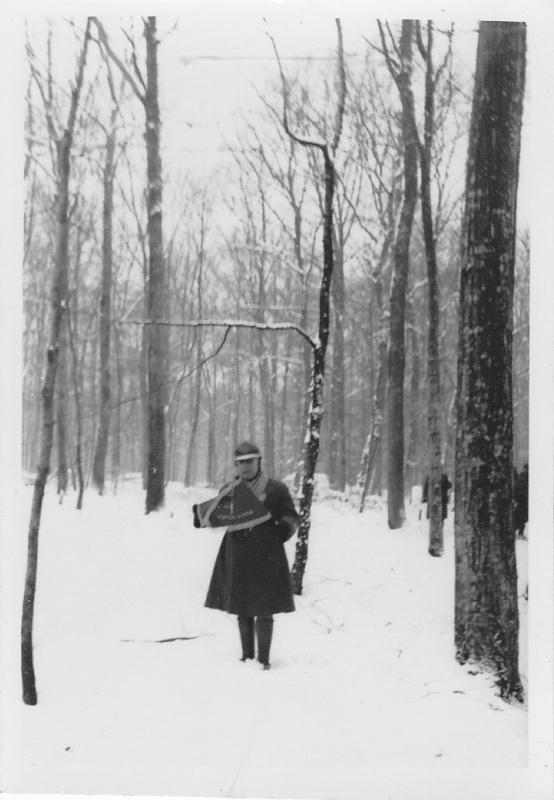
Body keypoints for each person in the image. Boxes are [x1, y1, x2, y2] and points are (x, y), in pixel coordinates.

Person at [194, 441, 299, 670]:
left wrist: (284, 528)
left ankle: (263, 660)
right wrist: (200, 517)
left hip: (267, 555)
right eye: (240, 463)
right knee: (242, 606)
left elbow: (292, 516)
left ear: (259, 461)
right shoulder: (229, 491)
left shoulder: (276, 489)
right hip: (237, 554)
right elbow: (217, 514)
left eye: (249, 461)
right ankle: (247, 657)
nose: (245, 467)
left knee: (264, 607)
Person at [514, 463, 529, 539]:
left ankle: (519, 532)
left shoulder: (524, 476)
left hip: (523, 499)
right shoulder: (523, 476)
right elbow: (518, 487)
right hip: (522, 499)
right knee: (521, 516)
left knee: (523, 517)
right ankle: (519, 532)